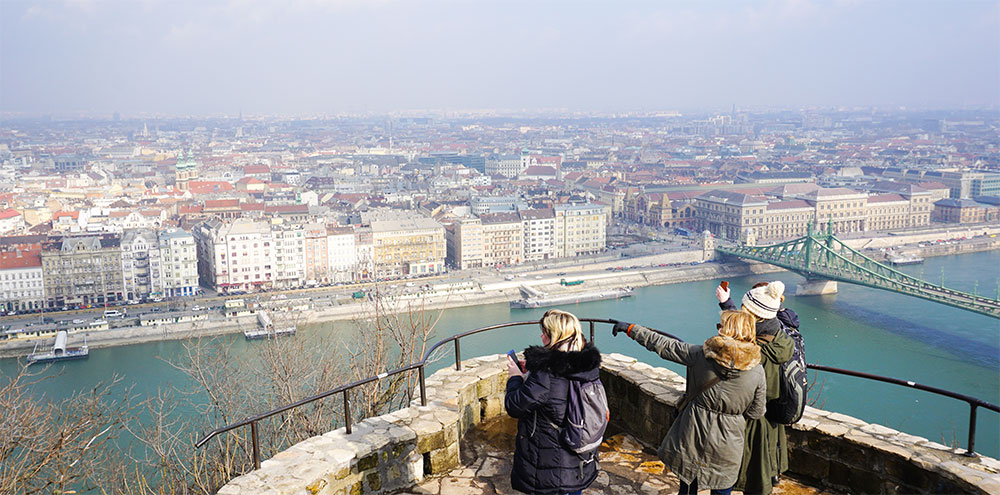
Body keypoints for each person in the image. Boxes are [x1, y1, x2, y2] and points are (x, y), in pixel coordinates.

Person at [611, 310, 766, 495]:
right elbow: (756, 412)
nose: (718, 329)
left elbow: (664, 345)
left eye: (721, 326)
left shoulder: (700, 355)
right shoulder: (757, 371)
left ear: (730, 330)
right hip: (729, 438)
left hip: (693, 428)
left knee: (688, 481)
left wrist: (631, 329)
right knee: (722, 485)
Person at [505, 309, 603, 495]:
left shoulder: (545, 374)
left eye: (544, 332)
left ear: (555, 336)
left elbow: (514, 405)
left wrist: (515, 378)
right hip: (579, 459)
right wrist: (532, 373)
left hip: (551, 463)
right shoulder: (587, 365)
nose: (541, 335)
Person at [716, 281, 794, 495]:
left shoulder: (755, 349)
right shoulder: (779, 336)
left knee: (739, 475)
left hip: (751, 419)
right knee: (761, 476)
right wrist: (726, 304)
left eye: (744, 309)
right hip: (771, 418)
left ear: (752, 314)